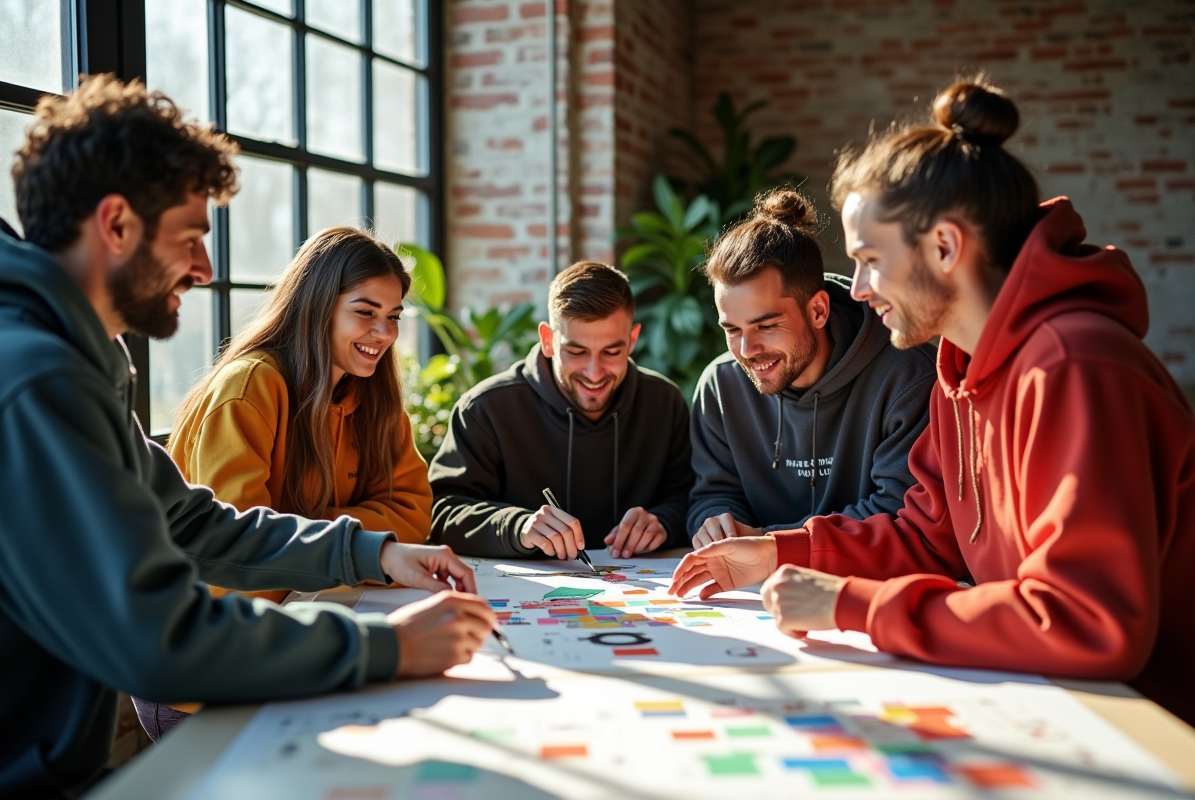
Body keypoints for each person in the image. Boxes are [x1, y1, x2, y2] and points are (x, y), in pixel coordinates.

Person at [0, 76, 494, 798]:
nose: (204, 269)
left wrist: (371, 551)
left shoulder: (77, 362)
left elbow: (190, 518)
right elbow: (158, 637)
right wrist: (388, 644)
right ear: (116, 224)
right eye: (191, 239)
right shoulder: (38, 377)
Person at [669, 79, 1195, 726]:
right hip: (1057, 702)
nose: (857, 289)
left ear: (945, 248)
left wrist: (851, 607)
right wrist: (778, 552)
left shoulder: (1074, 365)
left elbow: (1087, 621)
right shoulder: (959, 368)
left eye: (869, 260)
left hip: (1154, 730)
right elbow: (928, 534)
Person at [132, 225, 434, 738]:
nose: (383, 333)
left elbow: (414, 513)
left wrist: (308, 533)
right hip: (206, 672)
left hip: (294, 648)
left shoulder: (374, 397)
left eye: (394, 317)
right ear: (317, 306)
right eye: (365, 312)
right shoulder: (251, 386)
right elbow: (235, 557)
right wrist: (345, 544)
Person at [688, 188, 934, 548]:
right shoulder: (721, 386)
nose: (747, 350)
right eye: (732, 329)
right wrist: (716, 524)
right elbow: (712, 494)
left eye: (766, 326)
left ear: (818, 310)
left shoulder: (907, 375)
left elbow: (899, 513)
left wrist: (770, 543)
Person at [429, 261, 693, 560]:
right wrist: (518, 527)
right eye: (576, 352)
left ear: (632, 340)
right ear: (547, 341)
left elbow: (691, 496)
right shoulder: (485, 408)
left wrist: (664, 522)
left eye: (611, 352)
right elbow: (443, 512)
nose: (594, 373)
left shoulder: (664, 402)